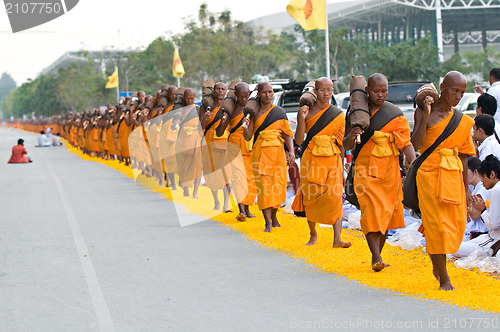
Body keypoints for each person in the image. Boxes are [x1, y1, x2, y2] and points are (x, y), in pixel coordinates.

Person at [344, 73, 416, 271]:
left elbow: (405, 143)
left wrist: (414, 161)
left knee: (385, 215)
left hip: (389, 174)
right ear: (367, 90)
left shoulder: (394, 114)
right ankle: (376, 255)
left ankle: (378, 257)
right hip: (365, 172)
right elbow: (346, 145)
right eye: (376, 91)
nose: (380, 95)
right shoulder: (357, 112)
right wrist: (352, 134)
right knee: (370, 213)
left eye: (384, 91)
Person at [412, 71, 476, 290]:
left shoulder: (463, 121)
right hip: (429, 175)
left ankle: (436, 261)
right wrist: (426, 114)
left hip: (453, 176)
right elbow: (418, 144)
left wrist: (467, 187)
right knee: (437, 225)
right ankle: (445, 277)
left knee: (454, 225)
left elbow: (465, 154)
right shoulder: (423, 111)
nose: (458, 96)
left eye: (462, 92)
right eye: (454, 90)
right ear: (442, 87)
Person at [292, 77, 351, 248]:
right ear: (315, 91)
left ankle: (337, 238)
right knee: (311, 198)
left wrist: (342, 168)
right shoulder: (306, 111)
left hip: (332, 161)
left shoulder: (338, 115)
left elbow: (341, 144)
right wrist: (302, 119)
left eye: (330, 90)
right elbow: (298, 140)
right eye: (322, 90)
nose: (326, 93)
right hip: (311, 160)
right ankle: (313, 234)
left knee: (334, 198)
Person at [242, 82, 295, 232]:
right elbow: (248, 137)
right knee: (264, 189)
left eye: (270, 92)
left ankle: (274, 216)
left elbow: (288, 133)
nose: (268, 95)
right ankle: (268, 222)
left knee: (278, 187)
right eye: (264, 92)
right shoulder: (254, 112)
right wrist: (245, 127)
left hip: (278, 154)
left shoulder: (279, 112)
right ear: (258, 94)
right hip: (260, 155)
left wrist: (291, 151)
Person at [216, 82, 257, 220]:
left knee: (250, 179)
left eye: (246, 96)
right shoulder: (231, 110)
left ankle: (248, 207)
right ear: (236, 96)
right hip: (234, 147)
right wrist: (224, 121)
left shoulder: (252, 109)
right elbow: (220, 132)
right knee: (239, 179)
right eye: (241, 97)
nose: (244, 100)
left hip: (249, 147)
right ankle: (242, 211)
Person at [454, 155, 500, 258]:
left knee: (452, 249)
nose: (482, 180)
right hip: (489, 237)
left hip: (493, 241)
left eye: (483, 176)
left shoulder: (496, 190)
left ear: (492, 174)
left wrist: (482, 210)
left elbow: (493, 225)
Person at [200, 82, 232, 211]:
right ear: (214, 91)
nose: (220, 91)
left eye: (223, 89)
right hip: (209, 142)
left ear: (225, 91)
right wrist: (204, 118)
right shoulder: (206, 106)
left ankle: (225, 205)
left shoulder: (229, 106)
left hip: (225, 143)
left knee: (226, 174)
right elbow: (200, 127)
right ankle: (216, 201)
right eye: (218, 89)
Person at [175, 88, 203, 197]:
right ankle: (186, 188)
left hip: (196, 139)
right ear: (184, 98)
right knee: (185, 166)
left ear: (195, 98)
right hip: (183, 140)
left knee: (197, 166)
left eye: (192, 98)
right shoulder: (180, 110)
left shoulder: (197, 109)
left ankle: (195, 191)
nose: (190, 101)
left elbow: (202, 123)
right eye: (188, 98)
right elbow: (175, 123)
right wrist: (176, 122)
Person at [464, 157, 489, 240]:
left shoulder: (481, 189)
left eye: (466, 172)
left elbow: (475, 215)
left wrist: (468, 208)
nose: (463, 176)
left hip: (481, 233)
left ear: (475, 172)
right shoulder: (475, 188)